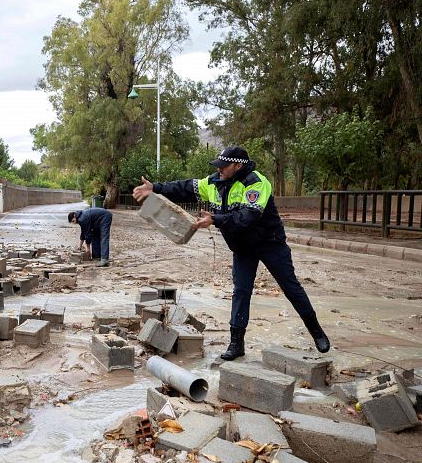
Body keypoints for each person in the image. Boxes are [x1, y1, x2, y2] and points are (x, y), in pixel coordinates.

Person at [133, 146, 330, 360]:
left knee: (291, 288)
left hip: (269, 243)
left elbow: (246, 218)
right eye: (218, 166)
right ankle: (236, 344)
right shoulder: (215, 182)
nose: (220, 170)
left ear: (238, 165)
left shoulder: (256, 183)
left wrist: (215, 219)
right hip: (243, 248)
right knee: (241, 291)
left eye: (224, 166)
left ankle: (316, 332)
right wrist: (156, 188)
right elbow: (187, 187)